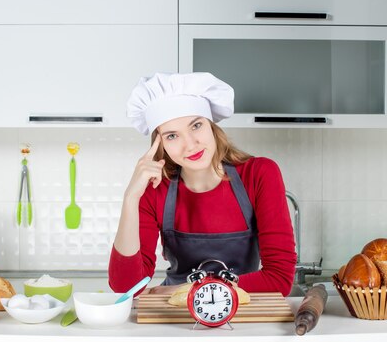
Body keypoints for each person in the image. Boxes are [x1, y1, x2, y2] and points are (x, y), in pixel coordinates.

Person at [108, 72, 296, 297]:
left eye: (196, 126)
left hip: (244, 316)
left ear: (211, 125)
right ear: (160, 144)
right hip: (176, 318)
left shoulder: (259, 174)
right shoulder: (155, 189)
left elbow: (280, 279)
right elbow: (126, 287)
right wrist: (131, 199)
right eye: (172, 136)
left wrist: (182, 291)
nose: (190, 145)